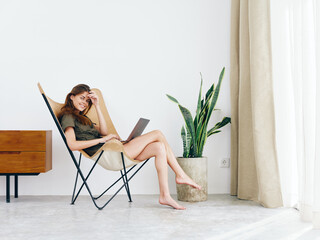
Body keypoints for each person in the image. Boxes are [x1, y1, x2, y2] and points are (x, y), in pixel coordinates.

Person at [58, 84, 201, 210]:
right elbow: (72, 145)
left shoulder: (83, 118)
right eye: (82, 98)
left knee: (159, 147)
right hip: (109, 155)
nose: (85, 102)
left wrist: (97, 105)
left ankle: (165, 196)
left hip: (114, 150)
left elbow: (104, 132)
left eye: (87, 100)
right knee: (157, 133)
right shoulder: (68, 116)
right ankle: (181, 175)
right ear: (72, 97)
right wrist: (103, 141)